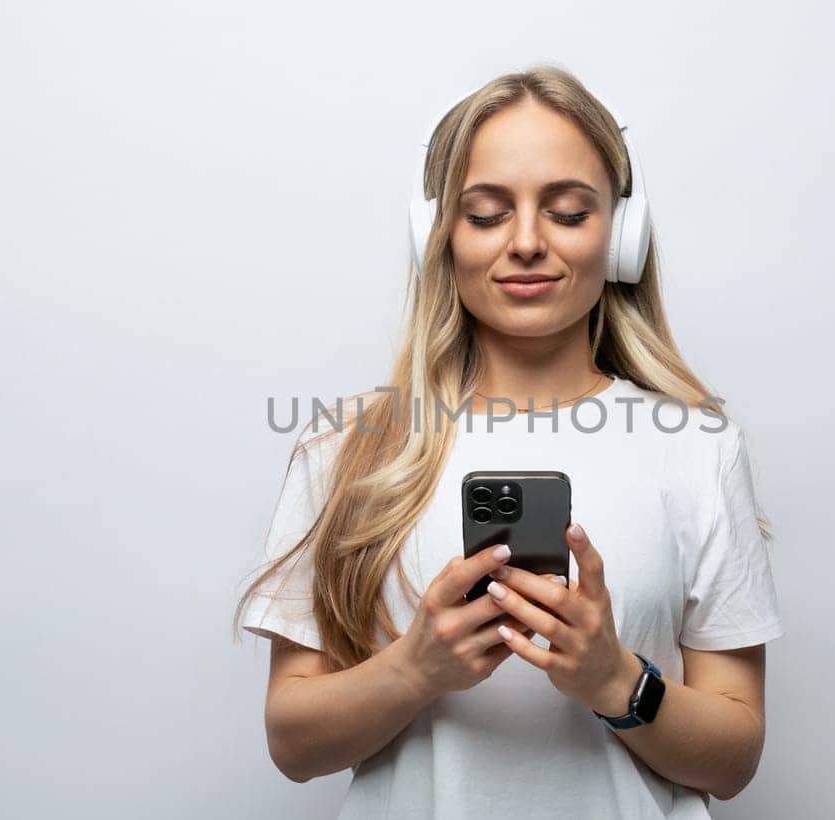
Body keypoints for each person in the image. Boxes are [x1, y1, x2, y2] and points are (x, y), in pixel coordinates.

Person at [234, 63, 785, 819]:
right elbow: (293, 745)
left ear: (622, 237)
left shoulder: (698, 447)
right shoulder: (350, 446)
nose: (526, 243)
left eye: (566, 211)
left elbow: (734, 759)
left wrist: (615, 680)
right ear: (438, 236)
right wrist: (416, 669)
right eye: (488, 213)